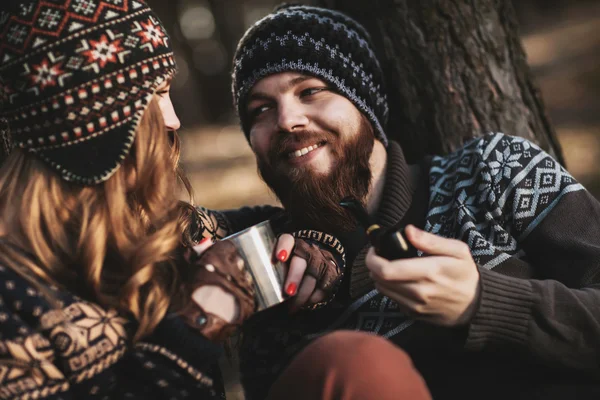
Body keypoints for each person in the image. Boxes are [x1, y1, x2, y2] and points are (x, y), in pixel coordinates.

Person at [190, 4, 600, 400]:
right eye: (260, 109)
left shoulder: (491, 171)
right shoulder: (272, 271)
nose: (286, 120)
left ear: (365, 100)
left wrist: (484, 303)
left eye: (311, 90)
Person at [0, 1, 266, 398]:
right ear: (96, 117)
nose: (173, 119)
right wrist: (198, 324)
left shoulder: (160, 230)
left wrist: (321, 252)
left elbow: (267, 226)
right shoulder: (12, 292)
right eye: (157, 94)